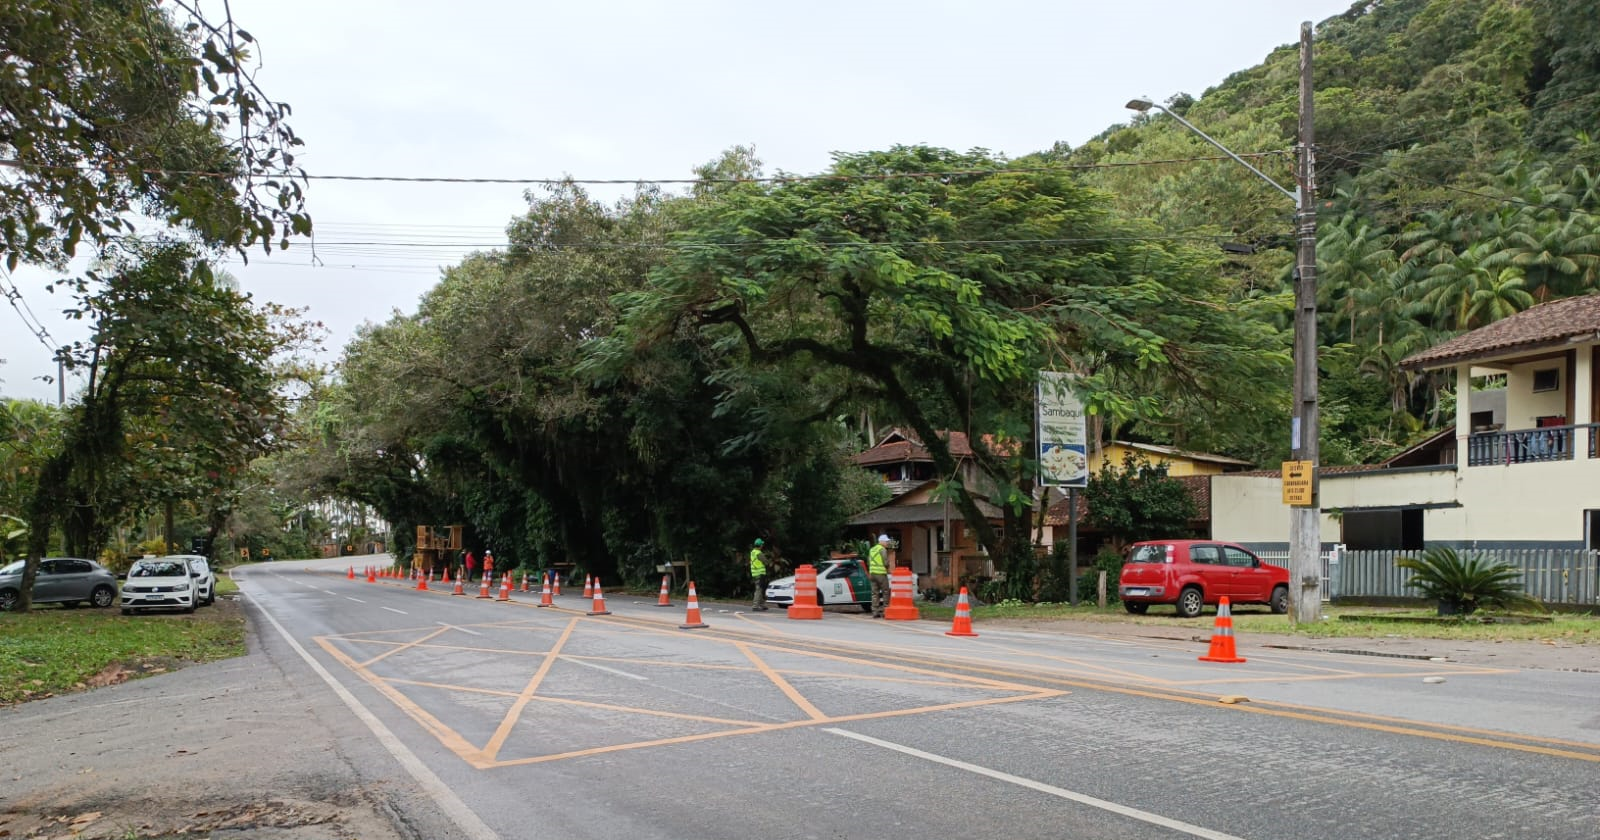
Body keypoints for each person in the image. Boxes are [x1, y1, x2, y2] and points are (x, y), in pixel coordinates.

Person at [868, 534, 893, 618]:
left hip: (872, 574)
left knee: (874, 593)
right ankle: (886, 611)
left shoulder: (872, 549)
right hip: (881, 574)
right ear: (881, 542)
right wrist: (888, 568)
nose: (887, 543)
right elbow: (885, 562)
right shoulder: (882, 549)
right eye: (886, 541)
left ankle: (875, 612)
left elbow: (869, 561)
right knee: (885, 592)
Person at [749, 538, 769, 611]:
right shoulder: (759, 553)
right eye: (762, 544)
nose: (762, 546)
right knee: (759, 589)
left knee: (760, 589)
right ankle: (755, 606)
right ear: (760, 545)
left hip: (755, 573)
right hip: (760, 573)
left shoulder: (752, 552)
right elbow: (766, 562)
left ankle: (762, 605)